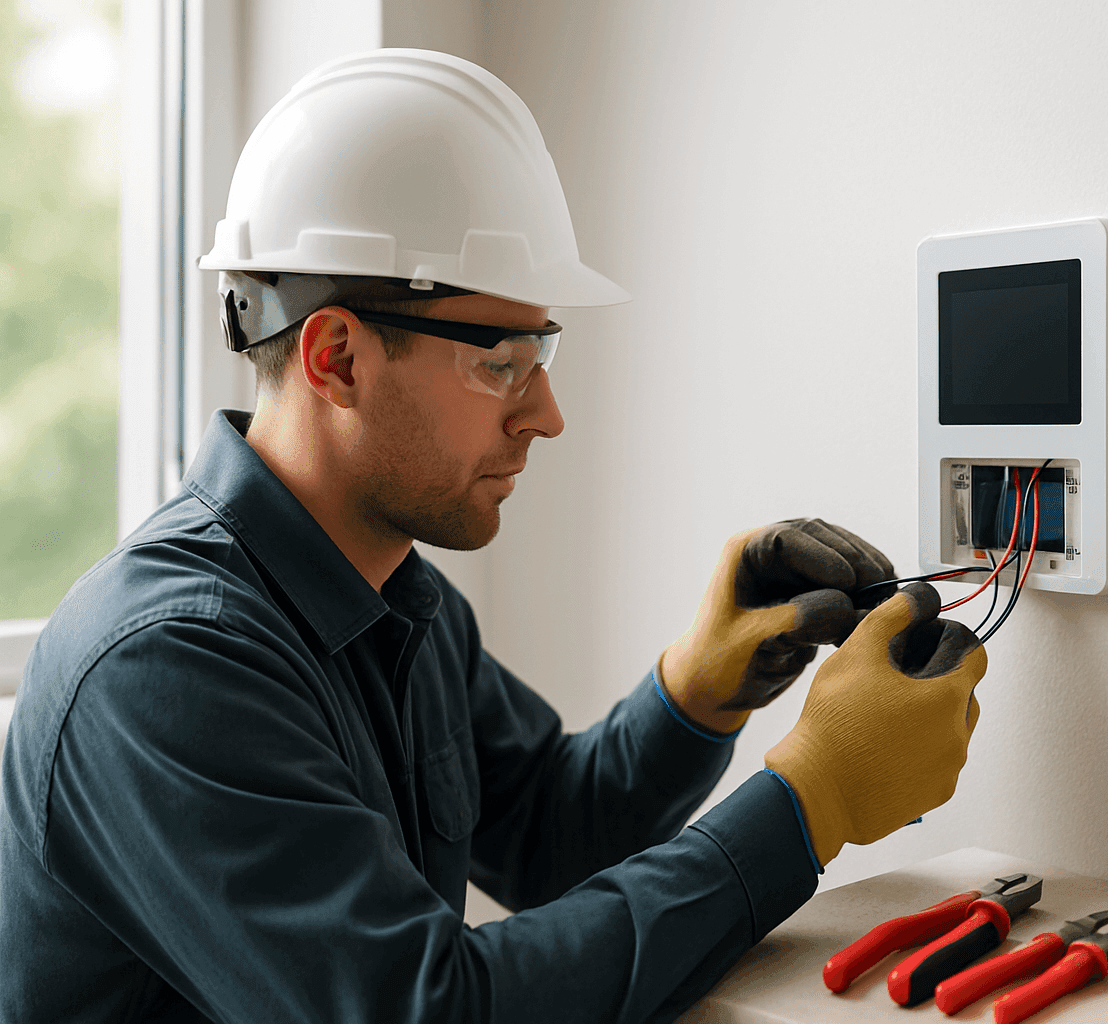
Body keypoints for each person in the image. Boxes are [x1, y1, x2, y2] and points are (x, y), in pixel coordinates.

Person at [0, 49, 985, 1023]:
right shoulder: (164, 666)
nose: (547, 413)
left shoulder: (395, 598)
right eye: (502, 360)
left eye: (542, 351)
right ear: (337, 356)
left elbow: (552, 833)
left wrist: (696, 693)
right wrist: (813, 796)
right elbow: (428, 1009)